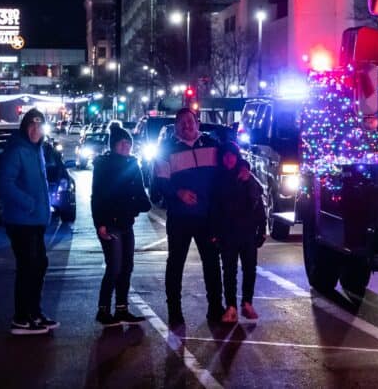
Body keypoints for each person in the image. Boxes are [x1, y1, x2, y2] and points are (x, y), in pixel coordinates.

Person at [150, 108, 224, 327]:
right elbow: (160, 183)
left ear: (197, 123)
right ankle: (174, 311)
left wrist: (244, 168)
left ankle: (215, 308)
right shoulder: (165, 150)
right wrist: (178, 193)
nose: (187, 126)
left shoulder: (212, 144)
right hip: (179, 217)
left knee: (212, 263)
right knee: (175, 264)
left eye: (190, 121)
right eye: (182, 122)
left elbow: (232, 162)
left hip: (207, 217)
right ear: (176, 126)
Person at [0, 108, 58, 335]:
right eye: (31, 125)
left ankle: (34, 312)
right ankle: (22, 318)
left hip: (35, 220)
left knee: (38, 265)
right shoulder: (18, 150)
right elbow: (4, 183)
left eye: (39, 125)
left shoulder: (36, 149)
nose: (36, 129)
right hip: (21, 220)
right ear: (25, 127)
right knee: (29, 267)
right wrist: (30, 203)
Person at [92, 124, 151, 326]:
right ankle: (103, 309)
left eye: (129, 143)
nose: (126, 147)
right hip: (110, 223)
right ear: (114, 145)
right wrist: (100, 223)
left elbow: (141, 193)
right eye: (122, 143)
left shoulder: (133, 165)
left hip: (127, 222)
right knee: (114, 267)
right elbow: (97, 196)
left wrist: (141, 204)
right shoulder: (104, 165)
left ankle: (121, 308)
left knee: (127, 266)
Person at [211, 143, 266, 323]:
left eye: (232, 155)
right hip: (227, 233)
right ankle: (232, 306)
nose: (229, 159)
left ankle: (247, 303)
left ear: (237, 157)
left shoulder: (248, 178)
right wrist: (214, 232)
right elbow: (214, 210)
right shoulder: (218, 179)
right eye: (226, 155)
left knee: (249, 268)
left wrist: (262, 230)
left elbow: (259, 205)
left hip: (248, 232)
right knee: (229, 271)